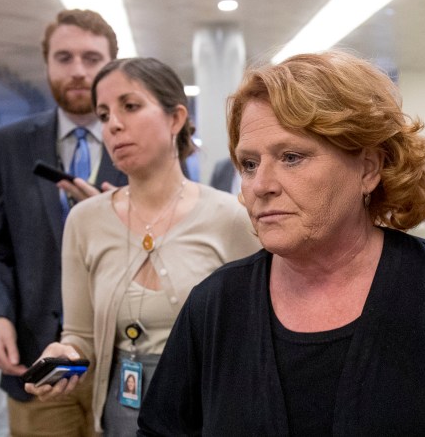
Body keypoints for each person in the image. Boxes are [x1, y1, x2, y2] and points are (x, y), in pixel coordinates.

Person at [137, 50, 425, 436]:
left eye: (291, 157)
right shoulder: (216, 306)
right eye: (249, 164)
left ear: (368, 168)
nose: (260, 185)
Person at [23, 57, 260, 436]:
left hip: (208, 410)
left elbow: (256, 335)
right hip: (122, 411)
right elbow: (80, 336)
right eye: (103, 115)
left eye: (130, 106)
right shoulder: (85, 220)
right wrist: (64, 354)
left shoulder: (230, 217)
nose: (113, 125)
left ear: (175, 118)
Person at [0, 9, 127, 437]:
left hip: (123, 363)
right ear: (46, 64)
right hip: (36, 362)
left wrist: (115, 221)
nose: (77, 70)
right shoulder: (5, 146)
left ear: (111, 66)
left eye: (91, 58)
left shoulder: (141, 142)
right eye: (64, 57)